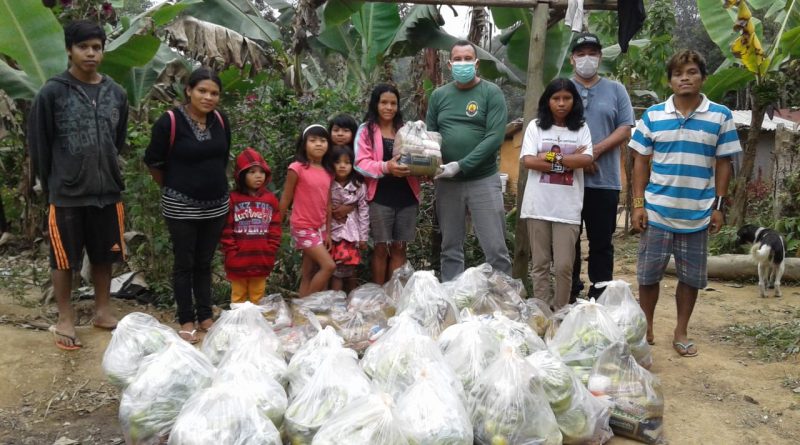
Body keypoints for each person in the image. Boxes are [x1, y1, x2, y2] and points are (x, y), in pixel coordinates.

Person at [630, 50, 741, 357]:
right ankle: (646, 326)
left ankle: (681, 331)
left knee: (690, 278)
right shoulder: (653, 115)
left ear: (703, 77)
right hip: (657, 210)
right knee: (648, 276)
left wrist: (718, 206)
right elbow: (640, 161)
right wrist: (638, 204)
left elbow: (724, 163)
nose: (685, 78)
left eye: (691, 72)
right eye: (678, 74)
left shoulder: (720, 116)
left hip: (698, 213)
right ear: (670, 81)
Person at [28, 20, 128, 350]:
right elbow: (40, 144)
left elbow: (118, 139)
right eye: (83, 47)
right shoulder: (52, 92)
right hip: (67, 192)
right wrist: (52, 183)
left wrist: (108, 169)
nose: (90, 53)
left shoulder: (116, 92)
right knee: (64, 258)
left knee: (104, 255)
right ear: (70, 50)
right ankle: (66, 318)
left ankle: (102, 310)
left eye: (96, 47)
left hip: (107, 190)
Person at [144, 68, 230, 343]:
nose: (208, 97)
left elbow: (223, 156)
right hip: (181, 206)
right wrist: (174, 188)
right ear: (189, 91)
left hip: (216, 205)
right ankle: (186, 318)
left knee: (204, 262)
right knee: (184, 263)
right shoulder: (169, 122)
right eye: (202, 91)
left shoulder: (220, 120)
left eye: (214, 93)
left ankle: (205, 314)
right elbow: (153, 162)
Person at [426, 40, 511, 282]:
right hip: (447, 183)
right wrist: (433, 163)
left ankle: (503, 301)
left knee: (495, 248)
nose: (462, 63)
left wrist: (460, 165)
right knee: (450, 247)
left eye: (467, 58)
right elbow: (432, 138)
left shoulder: (491, 93)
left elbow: (494, 138)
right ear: (450, 63)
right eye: (457, 59)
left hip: (483, 180)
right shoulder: (439, 96)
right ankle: (453, 298)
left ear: (476, 63)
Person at [568, 33, 635, 300]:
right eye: (581, 53)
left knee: (601, 243)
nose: (587, 58)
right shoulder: (563, 88)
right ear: (573, 59)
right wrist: (579, 161)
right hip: (568, 180)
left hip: (604, 181)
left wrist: (593, 152)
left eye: (592, 53)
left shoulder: (616, 90)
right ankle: (569, 293)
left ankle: (600, 294)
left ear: (600, 57)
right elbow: (550, 130)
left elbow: (625, 128)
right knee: (567, 241)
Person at [520, 78, 593, 310]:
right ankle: (541, 312)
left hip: (567, 208)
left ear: (574, 101)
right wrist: (567, 161)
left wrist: (548, 157)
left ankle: (560, 312)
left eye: (567, 98)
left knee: (563, 266)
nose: (561, 103)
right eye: (556, 98)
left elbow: (586, 159)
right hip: (537, 205)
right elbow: (529, 161)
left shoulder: (581, 128)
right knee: (540, 264)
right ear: (547, 101)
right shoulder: (535, 127)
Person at [355, 84, 420, 284]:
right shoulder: (366, 130)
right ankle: (379, 294)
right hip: (380, 197)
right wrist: (386, 167)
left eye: (393, 103)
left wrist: (426, 169)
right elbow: (360, 163)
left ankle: (394, 296)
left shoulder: (406, 130)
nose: (389, 107)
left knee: (400, 247)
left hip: (407, 196)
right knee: (381, 247)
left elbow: (420, 156)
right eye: (384, 102)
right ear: (376, 104)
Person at [279, 124, 336, 296]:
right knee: (329, 266)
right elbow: (286, 199)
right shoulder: (296, 168)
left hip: (319, 228)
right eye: (313, 140)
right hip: (303, 226)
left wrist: (328, 232)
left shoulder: (328, 171)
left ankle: (300, 315)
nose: (318, 144)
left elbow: (327, 205)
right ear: (304, 144)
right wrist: (276, 226)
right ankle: (304, 308)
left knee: (308, 273)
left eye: (323, 140)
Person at [220, 147, 281, 304]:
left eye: (261, 171)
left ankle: (255, 326)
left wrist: (270, 248)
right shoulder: (233, 199)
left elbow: (275, 228)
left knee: (257, 296)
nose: (258, 176)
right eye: (252, 172)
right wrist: (231, 251)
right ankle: (239, 326)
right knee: (238, 296)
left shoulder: (270, 199)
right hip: (238, 259)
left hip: (261, 257)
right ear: (241, 175)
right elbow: (226, 229)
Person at [329, 145, 369, 292]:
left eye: (347, 163)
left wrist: (363, 237)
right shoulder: (328, 184)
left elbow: (364, 211)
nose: (342, 166)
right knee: (336, 272)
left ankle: (352, 301)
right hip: (333, 234)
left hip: (351, 235)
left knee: (350, 270)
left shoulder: (358, 186)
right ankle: (336, 303)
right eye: (338, 162)